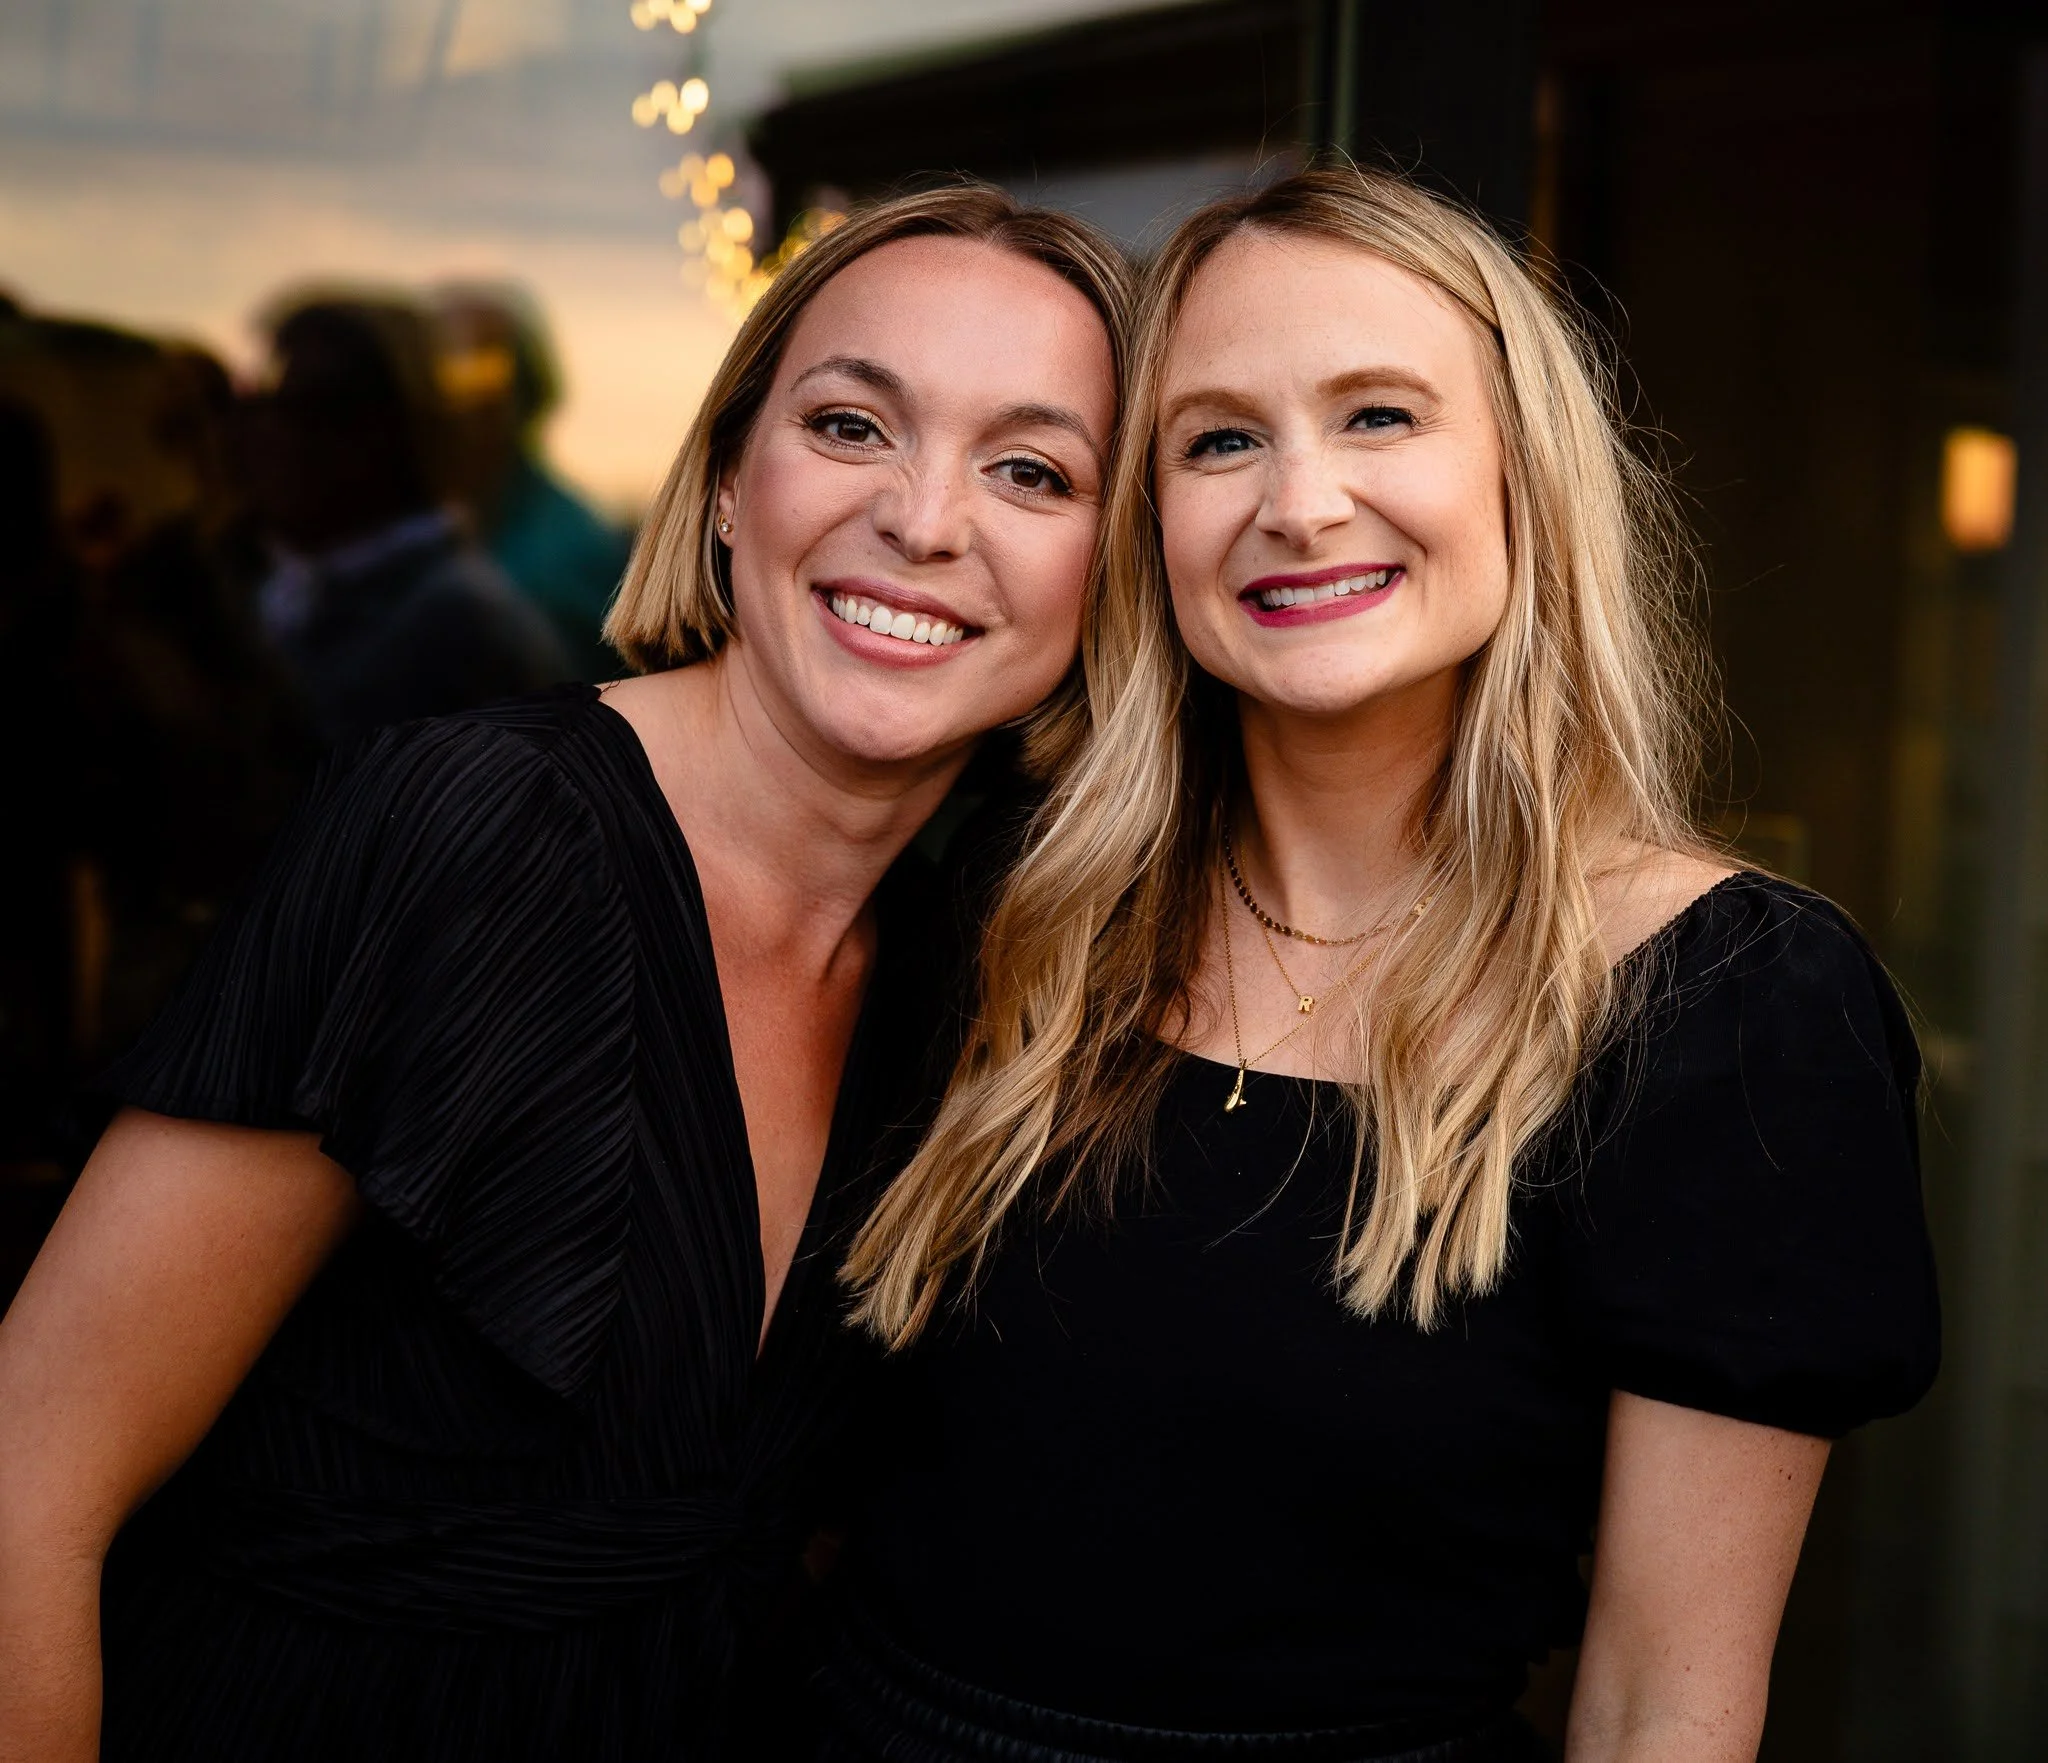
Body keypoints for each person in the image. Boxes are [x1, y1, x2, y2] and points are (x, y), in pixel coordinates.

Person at [823, 168, 1940, 1762]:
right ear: (1153, 521)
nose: (1300, 503)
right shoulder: (1025, 900)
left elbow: (1659, 1709)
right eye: (1219, 438)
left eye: (1379, 416)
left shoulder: (1730, 1003)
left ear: (1521, 477)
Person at [0, 184, 1127, 1763]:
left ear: (1106, 575)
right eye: (854, 426)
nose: (927, 519)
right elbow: (27, 1476)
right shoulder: (470, 831)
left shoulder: (961, 975)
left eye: (1031, 469)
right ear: (733, 481)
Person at [244, 294, 572, 744]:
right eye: (264, 399)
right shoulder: (289, 587)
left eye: (318, 408)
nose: (270, 431)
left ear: (405, 428)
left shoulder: (457, 631)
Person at [432, 280, 637, 681]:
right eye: (435, 370)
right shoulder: (429, 524)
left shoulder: (569, 552)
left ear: (525, 394)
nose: (453, 398)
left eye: (478, 374)